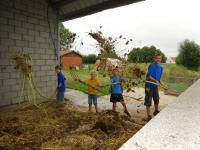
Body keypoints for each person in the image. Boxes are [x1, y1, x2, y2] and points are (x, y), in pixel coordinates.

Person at [144, 54, 163, 121]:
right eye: (157, 58)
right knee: (148, 101)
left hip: (155, 86)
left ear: (161, 59)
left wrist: (163, 84)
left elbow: (159, 78)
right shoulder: (152, 66)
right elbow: (149, 76)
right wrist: (156, 81)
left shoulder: (161, 68)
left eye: (159, 58)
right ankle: (149, 116)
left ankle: (156, 111)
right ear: (154, 59)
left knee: (156, 99)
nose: (158, 59)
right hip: (149, 86)